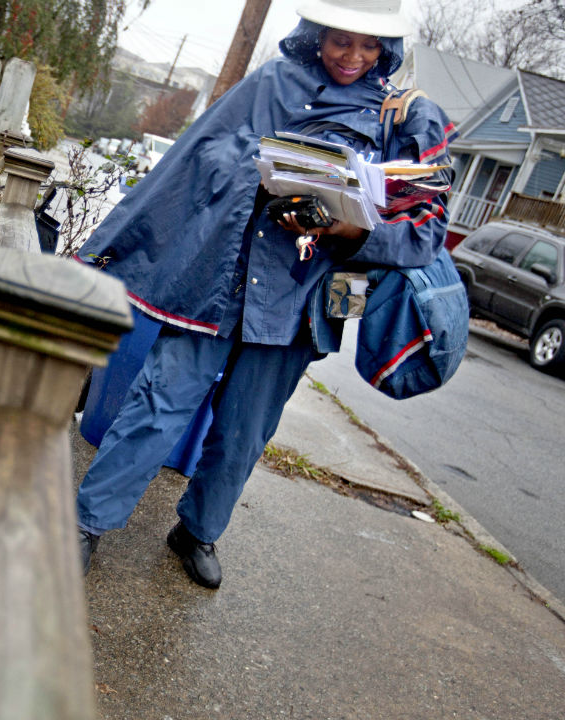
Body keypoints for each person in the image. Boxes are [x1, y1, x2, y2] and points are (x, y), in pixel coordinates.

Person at [74, 0, 457, 588]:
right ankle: (86, 523)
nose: (352, 57)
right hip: (219, 281)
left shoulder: (404, 117)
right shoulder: (270, 84)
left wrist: (347, 227)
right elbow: (195, 154)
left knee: (246, 430)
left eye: (369, 46)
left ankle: (197, 531)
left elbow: (427, 229)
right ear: (316, 36)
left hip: (301, 301)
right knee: (157, 405)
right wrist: (256, 172)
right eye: (339, 41)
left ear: (389, 49)